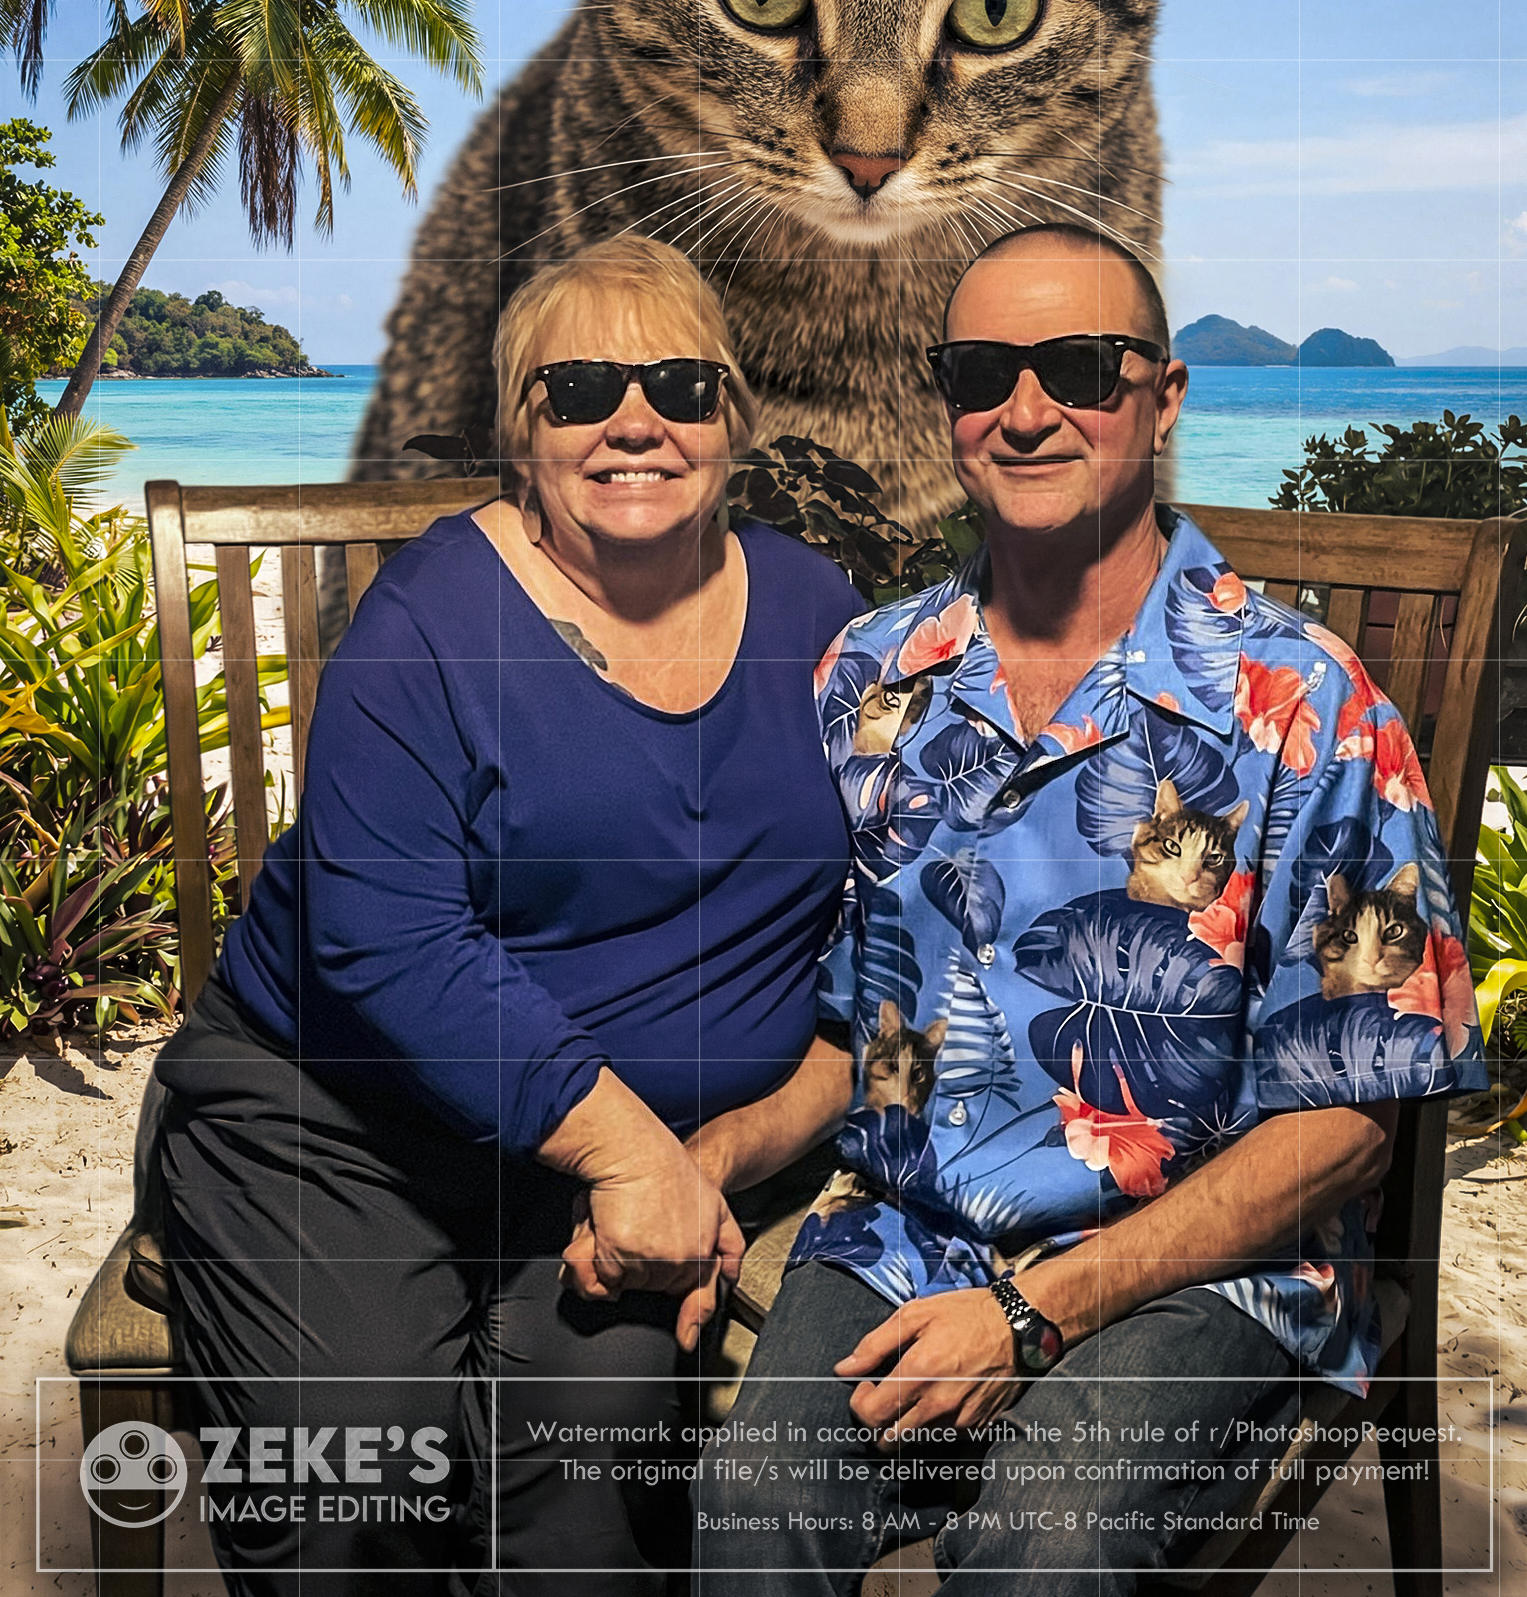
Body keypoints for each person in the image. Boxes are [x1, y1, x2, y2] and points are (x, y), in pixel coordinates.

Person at [688, 225, 1487, 1597]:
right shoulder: (873, 678)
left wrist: (1029, 1313)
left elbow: (1350, 1127)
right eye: (981, 372)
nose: (1026, 410)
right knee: (751, 1501)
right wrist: (714, 1155)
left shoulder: (1309, 707)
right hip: (908, 1229)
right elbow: (861, 1033)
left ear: (1163, 398)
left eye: (1077, 368)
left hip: (1213, 1260)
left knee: (1046, 1539)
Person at [154, 234, 862, 1595]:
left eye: (679, 385)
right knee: (354, 1484)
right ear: (518, 432)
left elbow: (883, 909)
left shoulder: (816, 613)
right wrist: (629, 1151)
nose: (635, 420)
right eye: (581, 387)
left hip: (638, 1157)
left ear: (734, 418)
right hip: (341, 1123)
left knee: (586, 1502)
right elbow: (384, 937)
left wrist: (715, 1151)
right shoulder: (430, 621)